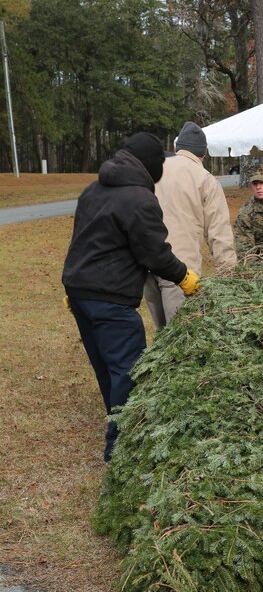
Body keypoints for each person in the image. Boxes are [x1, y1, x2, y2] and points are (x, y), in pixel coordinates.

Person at [62, 132, 201, 462]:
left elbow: (80, 241)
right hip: (110, 298)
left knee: (106, 368)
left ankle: (119, 425)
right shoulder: (139, 199)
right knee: (128, 370)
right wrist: (185, 278)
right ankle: (120, 447)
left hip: (81, 293)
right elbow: (154, 253)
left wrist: (73, 287)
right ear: (152, 166)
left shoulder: (93, 190)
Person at [143, 121, 236, 329]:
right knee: (180, 335)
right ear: (202, 154)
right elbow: (219, 232)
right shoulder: (205, 179)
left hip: (147, 263)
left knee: (161, 334)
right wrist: (229, 276)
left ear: (178, 148)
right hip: (180, 269)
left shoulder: (152, 171)